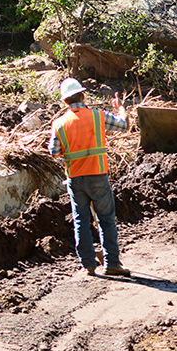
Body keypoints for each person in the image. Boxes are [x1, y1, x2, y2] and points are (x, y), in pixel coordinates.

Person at [48, 77, 130, 277]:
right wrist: (120, 108)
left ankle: (87, 265)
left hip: (75, 179)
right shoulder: (97, 116)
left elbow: (54, 151)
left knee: (81, 221)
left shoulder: (59, 123)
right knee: (106, 220)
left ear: (65, 101)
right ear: (83, 95)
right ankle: (112, 264)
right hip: (98, 175)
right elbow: (123, 125)